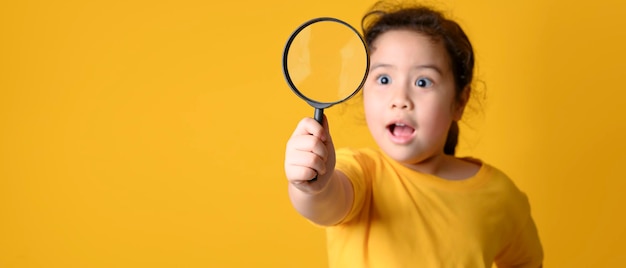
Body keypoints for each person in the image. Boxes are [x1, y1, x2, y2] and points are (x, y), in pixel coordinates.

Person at [284, 1, 544, 267]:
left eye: (423, 82)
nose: (400, 99)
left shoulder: (500, 195)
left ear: (459, 102)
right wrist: (313, 186)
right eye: (384, 79)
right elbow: (325, 203)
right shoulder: (361, 172)